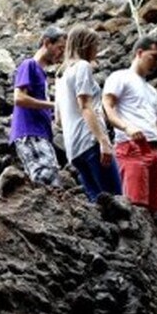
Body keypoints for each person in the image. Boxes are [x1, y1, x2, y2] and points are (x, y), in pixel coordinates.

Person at [103, 36, 157, 216]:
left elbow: (151, 121)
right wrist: (126, 127)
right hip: (131, 146)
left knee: (153, 207)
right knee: (134, 205)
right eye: (153, 56)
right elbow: (107, 106)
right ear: (139, 53)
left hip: (152, 149)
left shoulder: (151, 90)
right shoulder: (121, 77)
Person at [55, 25, 120, 201]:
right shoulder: (82, 66)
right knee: (116, 200)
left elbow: (59, 120)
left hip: (74, 149)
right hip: (90, 141)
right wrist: (103, 140)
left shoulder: (61, 76)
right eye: (95, 46)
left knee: (96, 202)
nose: (97, 51)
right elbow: (85, 106)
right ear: (86, 46)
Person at [9, 27, 64, 186]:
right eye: (59, 48)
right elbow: (19, 98)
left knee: (50, 175)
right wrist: (56, 105)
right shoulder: (29, 65)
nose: (61, 53)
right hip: (29, 131)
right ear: (47, 43)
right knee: (44, 176)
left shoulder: (42, 73)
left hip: (40, 132)